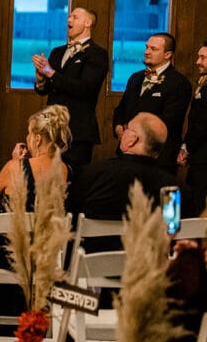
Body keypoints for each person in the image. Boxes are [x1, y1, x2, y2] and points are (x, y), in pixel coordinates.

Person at [67, 112, 201, 224]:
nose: (123, 133)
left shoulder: (93, 174)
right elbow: (173, 233)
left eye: (126, 129)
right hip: (149, 255)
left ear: (132, 139)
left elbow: (69, 221)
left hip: (93, 253)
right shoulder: (174, 190)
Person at [31, 7, 108, 168]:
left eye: (75, 17)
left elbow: (86, 89)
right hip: (51, 128)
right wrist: (40, 79)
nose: (69, 20)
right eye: (69, 16)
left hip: (77, 130)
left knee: (75, 180)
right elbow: (45, 90)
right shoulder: (57, 52)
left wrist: (51, 73)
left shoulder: (97, 54)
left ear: (88, 23)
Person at [112, 33, 191, 174]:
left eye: (153, 49)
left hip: (159, 157)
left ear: (167, 54)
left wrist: (136, 133)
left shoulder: (178, 83)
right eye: (146, 47)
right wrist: (118, 126)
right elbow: (121, 108)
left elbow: (170, 120)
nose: (146, 52)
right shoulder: (135, 78)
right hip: (128, 154)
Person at [0, 105, 71, 211]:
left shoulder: (15, 168)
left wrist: (16, 163)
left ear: (37, 139)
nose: (27, 138)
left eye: (29, 133)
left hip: (17, 228)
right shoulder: (67, 170)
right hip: (53, 228)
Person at [179, 40, 207, 212]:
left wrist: (187, 148)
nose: (198, 62)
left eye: (203, 58)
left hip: (203, 156)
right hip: (200, 154)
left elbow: (202, 123)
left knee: (197, 201)